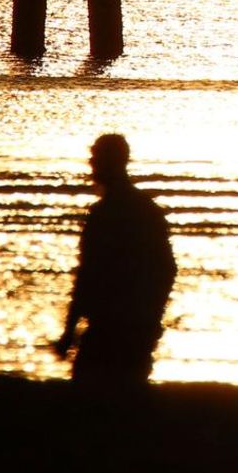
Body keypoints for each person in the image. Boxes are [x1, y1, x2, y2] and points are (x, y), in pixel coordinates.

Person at [54, 133, 176, 386]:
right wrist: (151, 317)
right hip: (133, 328)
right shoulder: (146, 209)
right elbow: (166, 270)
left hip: (111, 329)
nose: (91, 164)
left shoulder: (105, 214)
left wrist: (69, 332)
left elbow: (88, 277)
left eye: (96, 158)